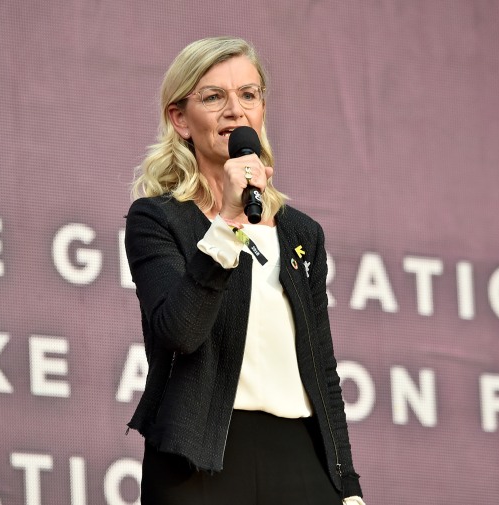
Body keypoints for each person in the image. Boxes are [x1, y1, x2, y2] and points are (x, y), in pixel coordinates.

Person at [125, 36, 366, 505]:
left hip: (299, 458)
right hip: (199, 460)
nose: (235, 111)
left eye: (248, 95)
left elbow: (322, 365)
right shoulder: (158, 219)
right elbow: (180, 331)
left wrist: (348, 485)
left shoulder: (302, 233)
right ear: (180, 119)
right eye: (214, 97)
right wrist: (227, 224)